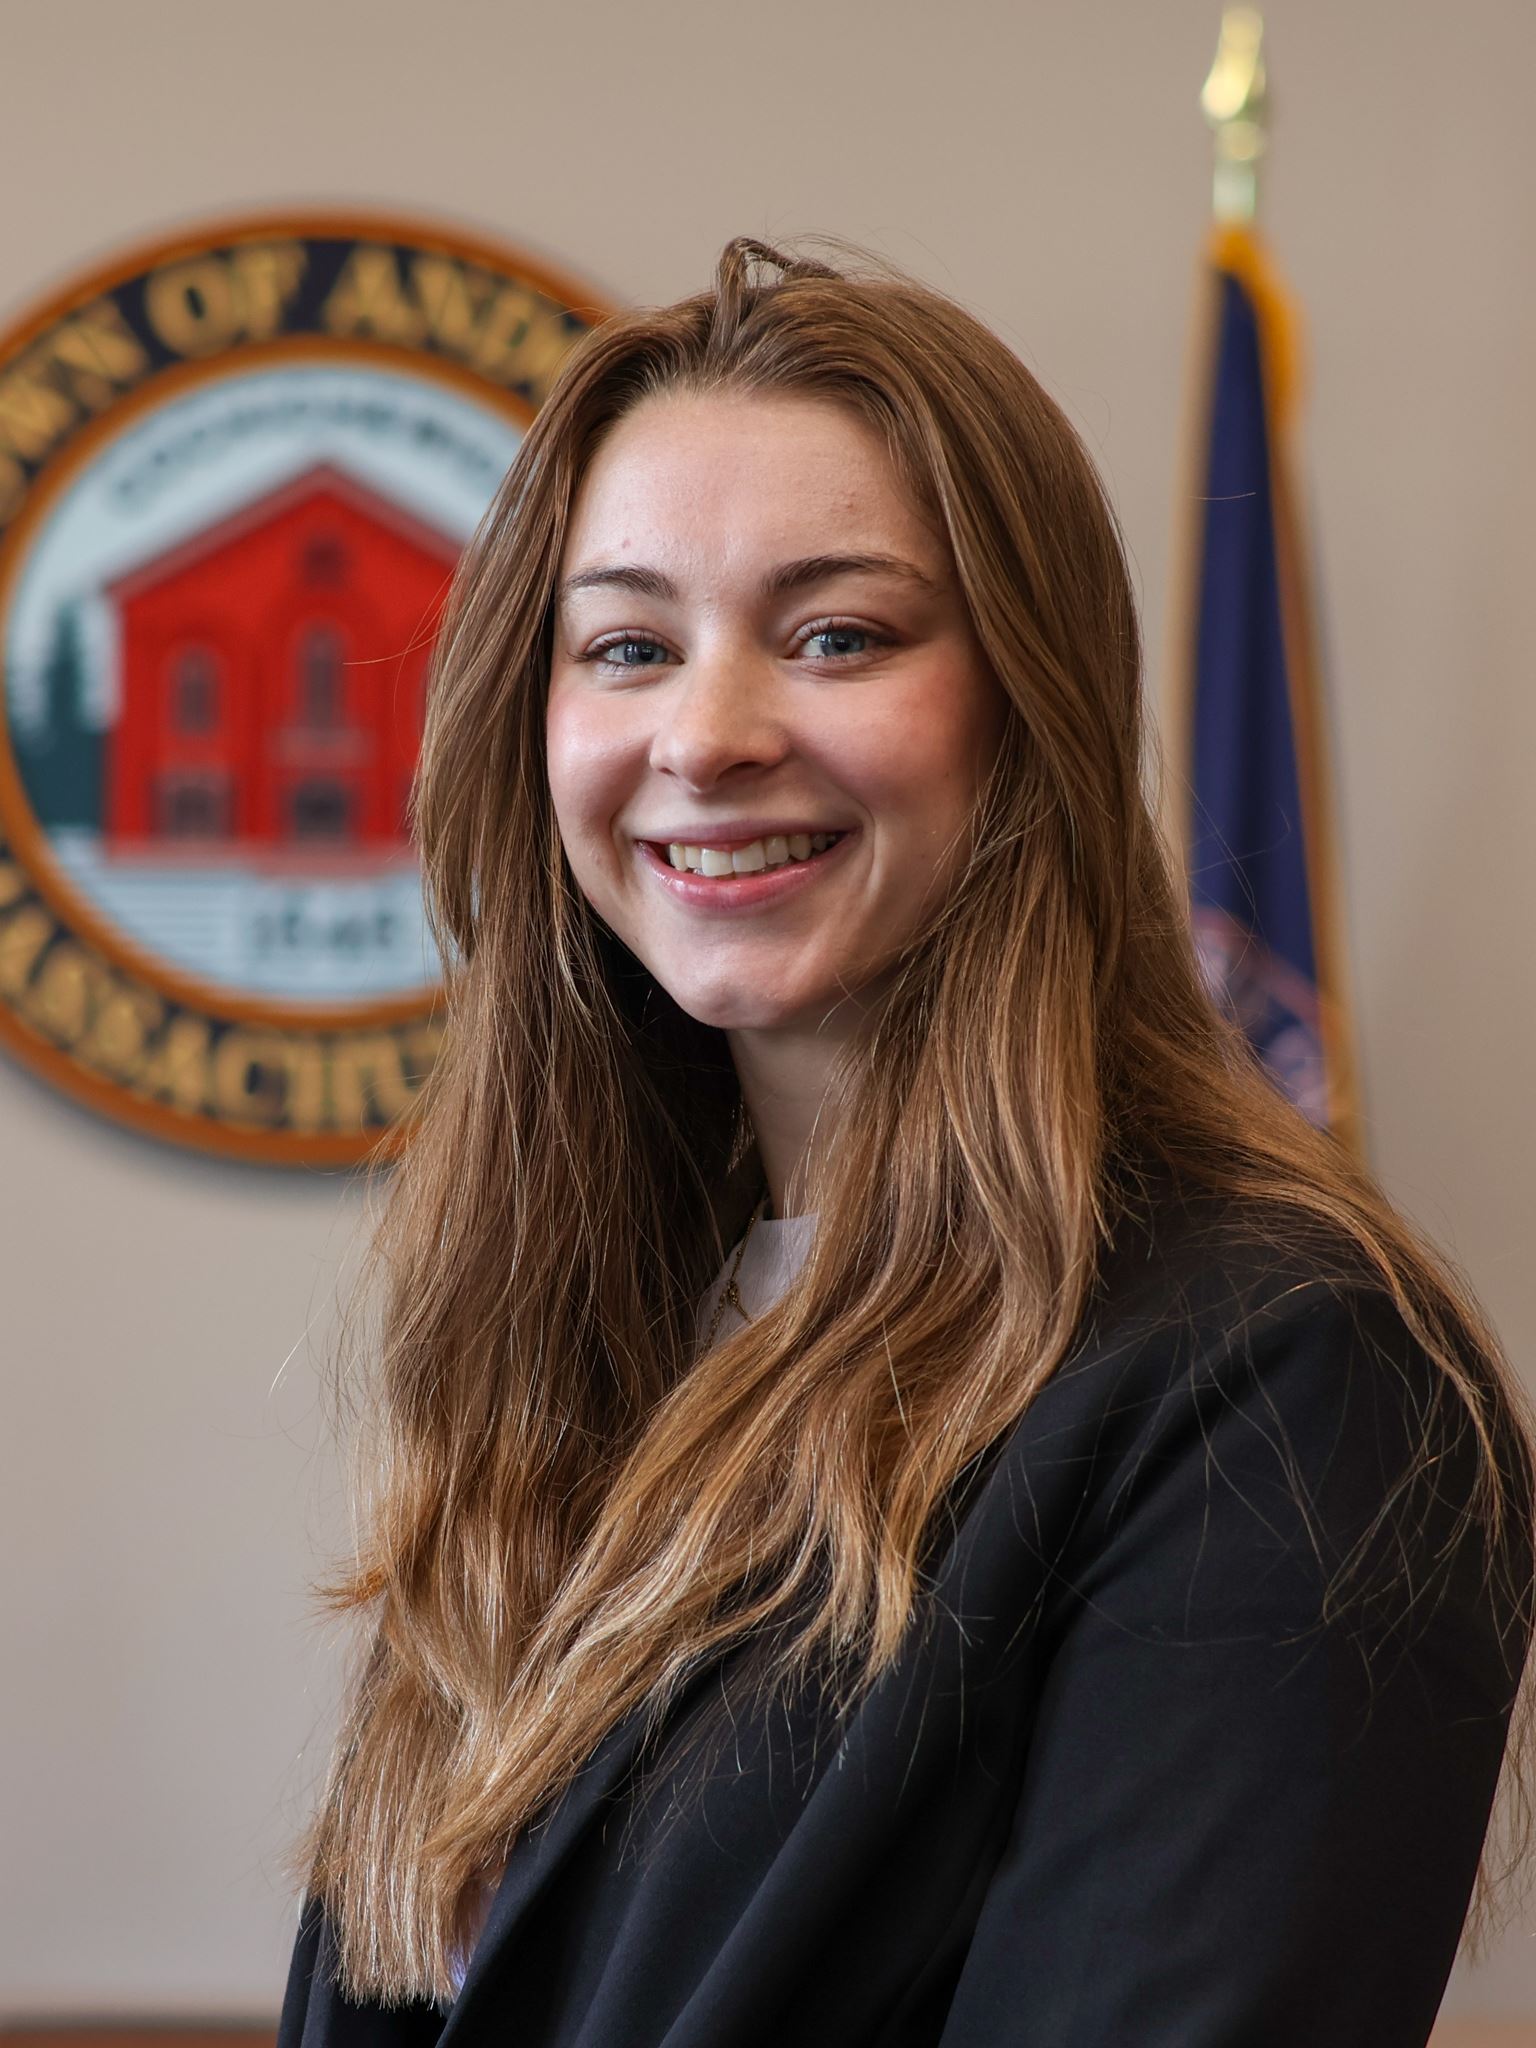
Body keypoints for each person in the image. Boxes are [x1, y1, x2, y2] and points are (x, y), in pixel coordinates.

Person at [279, 238, 1536, 2048]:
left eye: (837, 634)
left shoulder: (1283, 1377)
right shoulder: (582, 1348)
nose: (706, 736)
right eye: (627, 644)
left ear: (1028, 703)